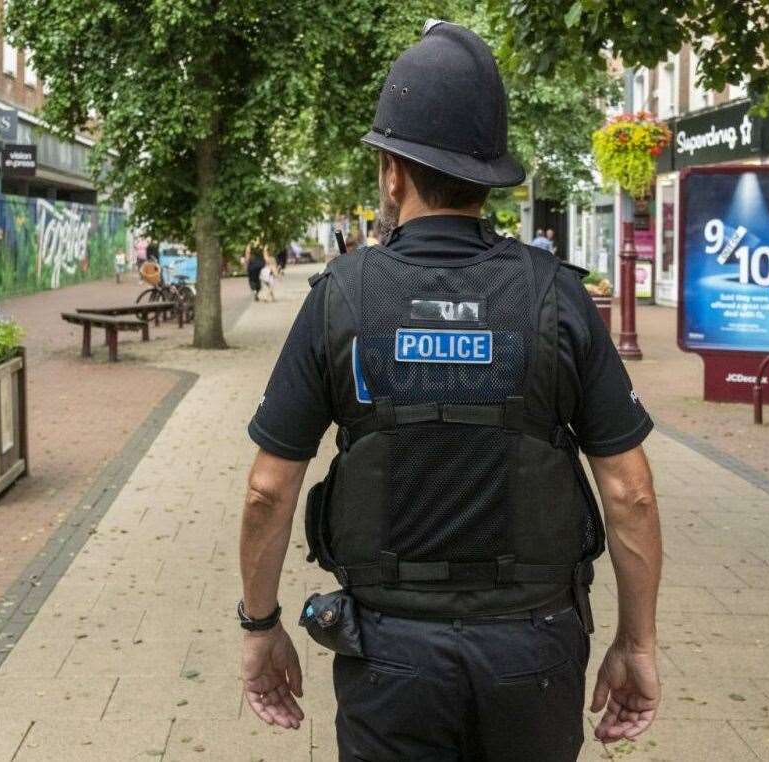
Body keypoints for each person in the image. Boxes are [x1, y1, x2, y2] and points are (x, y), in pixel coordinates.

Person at [239, 21, 661, 762]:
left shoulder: (341, 297)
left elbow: (268, 492)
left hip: (389, 659)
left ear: (394, 173)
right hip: (535, 650)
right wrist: (636, 640)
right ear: (487, 177)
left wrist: (260, 625)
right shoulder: (557, 299)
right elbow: (630, 495)